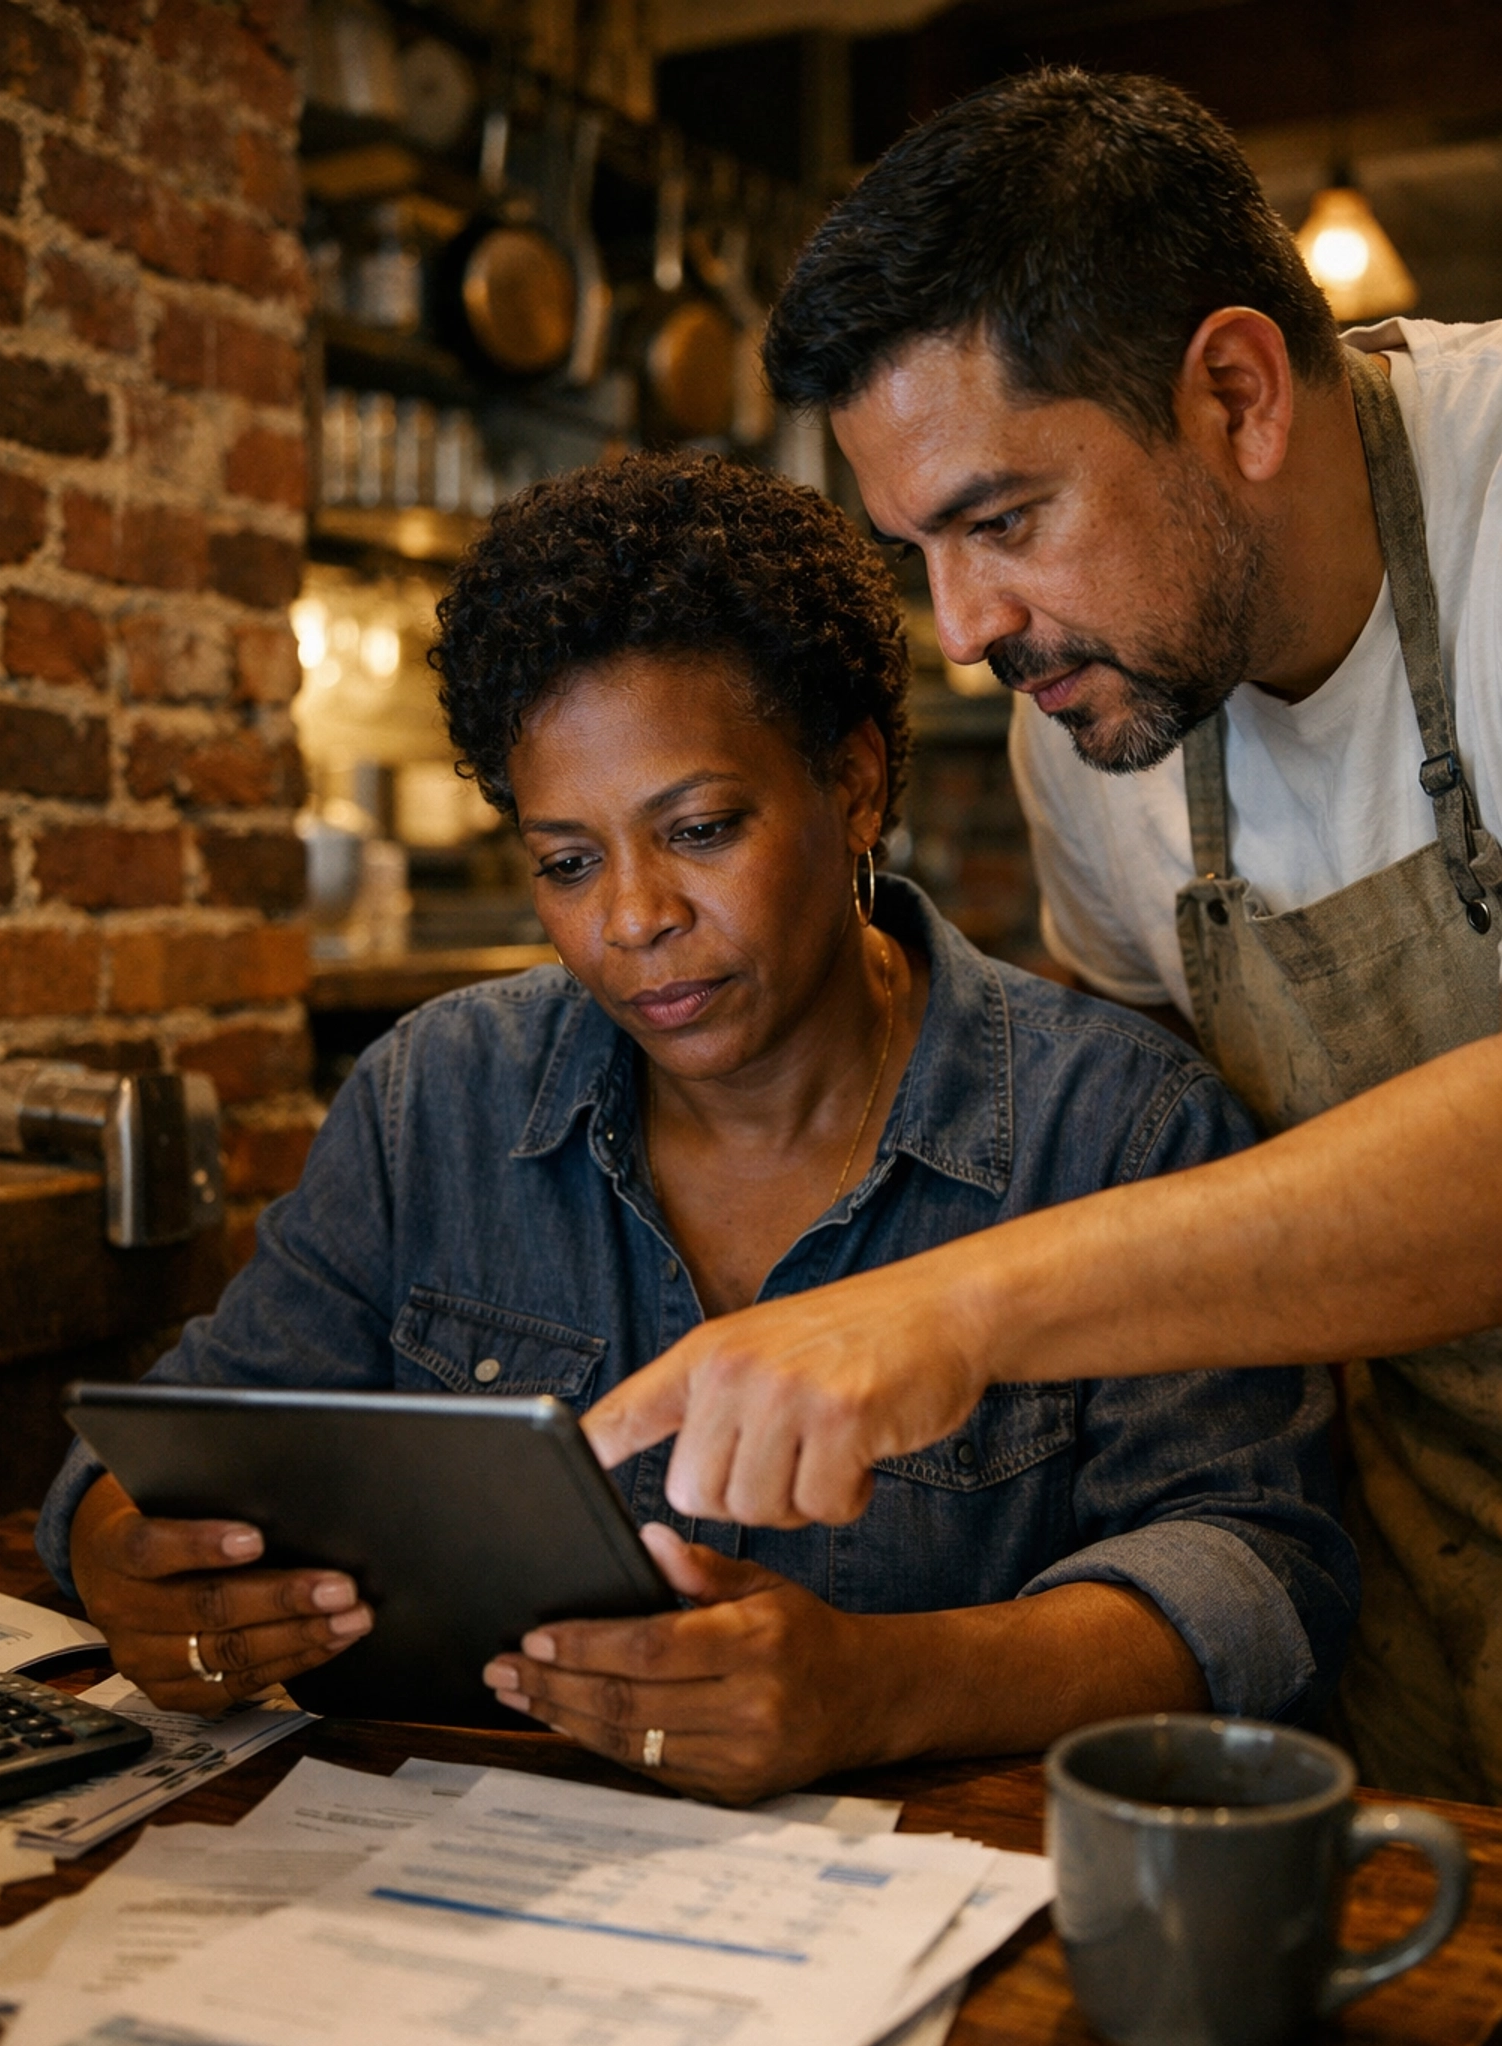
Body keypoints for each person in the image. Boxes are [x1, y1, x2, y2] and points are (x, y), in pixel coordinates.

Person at [38, 454, 1352, 1803]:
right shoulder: (436, 1097)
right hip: (468, 1883)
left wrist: (880, 1687)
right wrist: (133, 1572)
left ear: (853, 787)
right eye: (566, 860)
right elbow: (161, 1452)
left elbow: (1256, 1575)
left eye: (702, 829)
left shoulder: (1117, 1128)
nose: (632, 917)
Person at [591, 68, 1502, 1803]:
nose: (961, 632)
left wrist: (949, 1308)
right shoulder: (1094, 727)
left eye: (1004, 523)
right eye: (919, 548)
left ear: (1236, 392)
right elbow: (1128, 1126)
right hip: (1424, 1559)